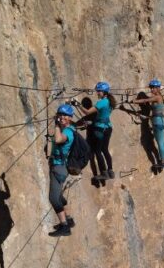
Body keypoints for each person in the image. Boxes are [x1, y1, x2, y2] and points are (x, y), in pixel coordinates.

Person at [77, 81, 117, 180]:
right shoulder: (109, 101)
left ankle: (104, 173)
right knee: (105, 149)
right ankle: (110, 170)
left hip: (100, 129)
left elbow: (87, 112)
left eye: (99, 91)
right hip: (107, 127)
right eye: (97, 91)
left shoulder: (102, 102)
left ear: (104, 92)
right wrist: (91, 123)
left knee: (97, 151)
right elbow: (102, 116)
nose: (97, 93)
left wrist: (77, 104)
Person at [48, 104, 77, 237]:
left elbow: (59, 139)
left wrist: (56, 125)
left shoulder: (67, 132)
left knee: (54, 198)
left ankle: (65, 227)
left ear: (70, 118)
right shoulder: (69, 128)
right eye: (60, 114)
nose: (62, 117)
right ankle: (69, 219)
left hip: (58, 168)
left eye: (65, 115)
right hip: (60, 167)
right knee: (59, 195)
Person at [130, 79, 164, 168]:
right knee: (162, 142)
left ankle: (162, 162)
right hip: (160, 120)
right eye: (151, 88)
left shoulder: (157, 97)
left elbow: (145, 100)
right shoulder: (159, 97)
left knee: (160, 142)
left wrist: (134, 101)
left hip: (157, 121)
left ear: (158, 88)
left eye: (153, 88)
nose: (151, 89)